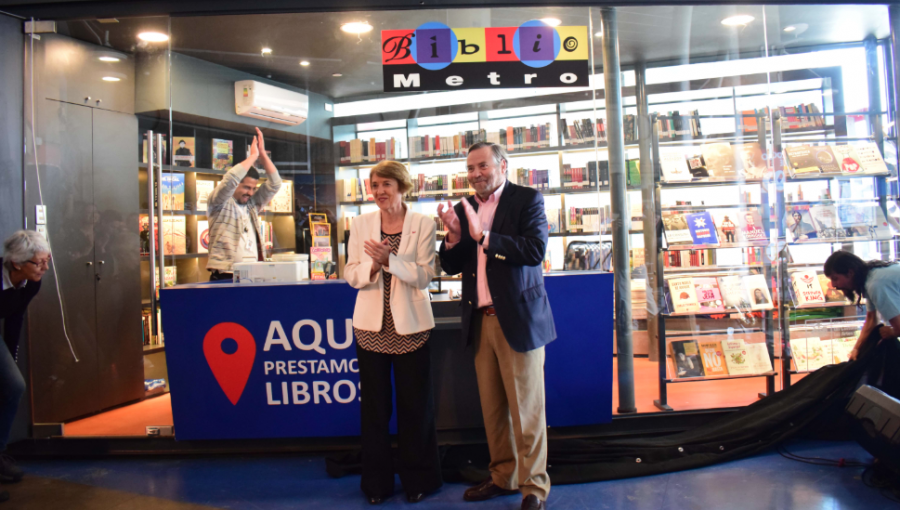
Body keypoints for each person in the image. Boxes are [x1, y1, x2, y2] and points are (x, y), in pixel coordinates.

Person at [438, 142, 556, 510]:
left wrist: (484, 238)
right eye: (470, 169)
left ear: (502, 165)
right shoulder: (464, 206)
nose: (475, 174)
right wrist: (454, 238)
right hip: (479, 320)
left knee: (527, 409)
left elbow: (534, 250)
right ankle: (503, 476)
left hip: (517, 321)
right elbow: (452, 266)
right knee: (493, 410)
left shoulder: (527, 199)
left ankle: (533, 486)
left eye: (482, 166)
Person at [344, 160, 442, 505]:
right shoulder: (360, 223)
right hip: (370, 329)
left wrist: (390, 260)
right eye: (374, 185)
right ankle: (376, 484)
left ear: (402, 186)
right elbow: (352, 275)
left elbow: (426, 275)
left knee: (415, 408)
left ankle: (419, 480)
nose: (379, 191)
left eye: (386, 184)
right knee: (374, 411)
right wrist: (374, 263)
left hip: (411, 329)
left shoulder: (423, 223)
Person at [0, 231, 51, 502]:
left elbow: (15, 316)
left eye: (47, 261)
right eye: (38, 263)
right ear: (16, 263)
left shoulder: (31, 282)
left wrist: (10, 354)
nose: (44, 268)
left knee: (13, 385)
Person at [206, 127, 281, 281]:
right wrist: (252, 156)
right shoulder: (219, 203)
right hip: (226, 276)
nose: (250, 193)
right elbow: (230, 180)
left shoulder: (252, 205)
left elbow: (275, 184)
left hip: (254, 275)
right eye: (246, 187)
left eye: (253, 188)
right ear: (237, 185)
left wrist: (262, 155)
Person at [824, 251, 900, 361]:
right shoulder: (870, 278)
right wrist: (856, 349)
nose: (834, 285)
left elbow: (898, 327)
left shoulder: (875, 285)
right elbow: (871, 320)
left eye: (835, 278)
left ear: (850, 273)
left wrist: (892, 332)